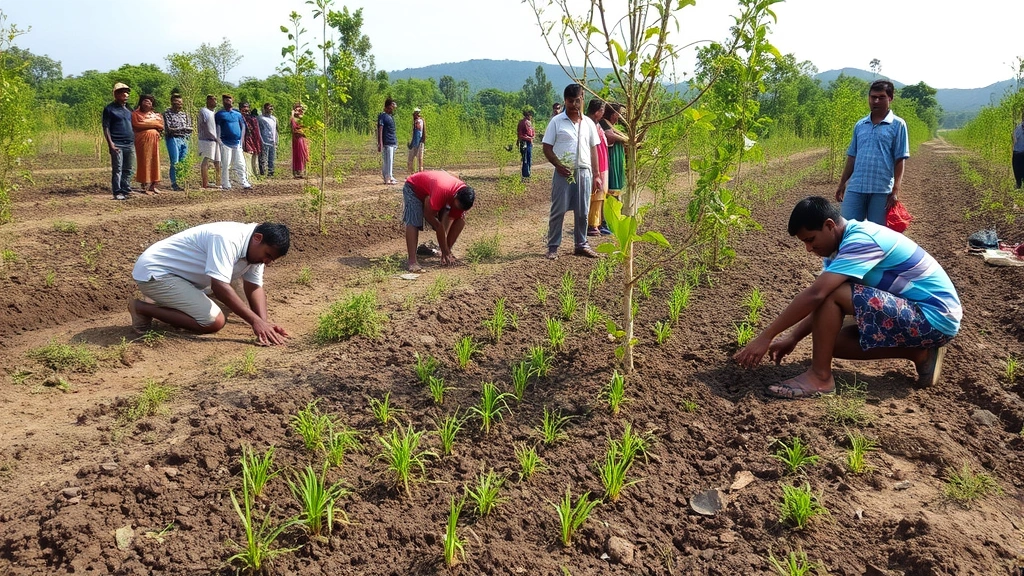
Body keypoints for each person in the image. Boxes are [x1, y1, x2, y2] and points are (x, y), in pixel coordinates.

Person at [734, 196, 962, 398]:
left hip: (933, 317)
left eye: (811, 240)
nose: (808, 248)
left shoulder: (862, 240)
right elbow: (822, 302)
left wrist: (766, 336)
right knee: (828, 342)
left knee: (831, 291)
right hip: (922, 317)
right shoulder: (842, 247)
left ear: (829, 225)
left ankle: (820, 378)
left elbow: (818, 295)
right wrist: (793, 338)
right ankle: (920, 353)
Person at [128, 221, 291, 345]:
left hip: (185, 278)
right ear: (257, 238)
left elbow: (254, 286)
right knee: (213, 321)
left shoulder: (254, 251)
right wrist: (255, 322)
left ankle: (175, 302)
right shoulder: (227, 238)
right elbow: (219, 287)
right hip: (157, 274)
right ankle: (141, 308)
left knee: (232, 301)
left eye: (271, 259)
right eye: (267, 255)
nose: (267, 262)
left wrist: (264, 323)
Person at [834, 80, 909, 225]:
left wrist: (895, 191)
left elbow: (900, 159)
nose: (876, 101)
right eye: (873, 97)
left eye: (881, 97)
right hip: (856, 187)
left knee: (879, 234)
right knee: (847, 229)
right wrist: (842, 183)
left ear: (890, 99)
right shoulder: (860, 125)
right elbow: (852, 156)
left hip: (881, 190)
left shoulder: (898, 125)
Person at [542, 83, 601, 260]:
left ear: (582, 99)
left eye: (577, 100)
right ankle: (553, 247)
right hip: (563, 173)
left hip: (584, 172)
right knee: (558, 210)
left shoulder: (588, 123)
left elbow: (593, 149)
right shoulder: (556, 122)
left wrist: (597, 175)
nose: (574, 105)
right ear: (565, 101)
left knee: (583, 211)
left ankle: (581, 244)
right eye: (570, 101)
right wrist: (557, 164)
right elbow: (547, 147)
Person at [402, 170, 475, 272]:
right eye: (456, 206)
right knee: (414, 221)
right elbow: (429, 216)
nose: (456, 209)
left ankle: (445, 253)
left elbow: (449, 220)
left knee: (460, 221)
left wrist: (445, 250)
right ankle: (412, 261)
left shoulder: (463, 196)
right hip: (413, 187)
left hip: (431, 192)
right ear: (455, 196)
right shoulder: (442, 190)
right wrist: (439, 227)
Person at [102, 82, 135, 201]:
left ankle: (126, 189)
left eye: (127, 92)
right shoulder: (109, 109)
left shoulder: (129, 108)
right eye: (122, 92)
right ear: (116, 94)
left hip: (130, 143)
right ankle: (117, 191)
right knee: (118, 169)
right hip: (117, 143)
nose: (126, 95)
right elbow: (106, 127)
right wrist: (111, 144)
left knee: (128, 168)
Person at [215, 94, 251, 190]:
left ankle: (243, 181)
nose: (228, 102)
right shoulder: (219, 114)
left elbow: (243, 127)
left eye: (230, 100)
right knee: (226, 164)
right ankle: (225, 183)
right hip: (225, 143)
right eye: (226, 100)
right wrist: (219, 140)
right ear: (223, 102)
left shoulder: (238, 114)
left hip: (237, 143)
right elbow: (217, 127)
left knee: (241, 163)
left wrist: (241, 140)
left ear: (233, 101)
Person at [132, 94, 164, 195]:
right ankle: (144, 185)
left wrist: (149, 123)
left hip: (155, 141)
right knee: (144, 161)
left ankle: (154, 185)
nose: (148, 103)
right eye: (145, 101)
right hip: (142, 141)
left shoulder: (156, 115)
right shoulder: (135, 114)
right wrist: (154, 124)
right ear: (141, 102)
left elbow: (161, 125)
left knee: (155, 161)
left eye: (150, 101)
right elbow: (137, 124)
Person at [601, 102, 626, 235]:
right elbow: (609, 136)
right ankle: (607, 221)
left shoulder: (611, 125)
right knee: (610, 190)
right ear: (613, 113)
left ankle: (614, 218)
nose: (620, 117)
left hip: (616, 158)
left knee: (615, 191)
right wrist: (625, 139)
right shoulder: (603, 123)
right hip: (611, 159)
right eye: (619, 114)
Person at [586, 98, 609, 237]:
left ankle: (598, 223)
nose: (603, 113)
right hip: (596, 164)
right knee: (596, 194)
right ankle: (592, 224)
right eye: (602, 111)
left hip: (602, 163)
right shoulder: (588, 125)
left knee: (601, 194)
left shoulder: (596, 124)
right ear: (597, 111)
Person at [162, 93, 192, 192]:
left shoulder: (184, 114)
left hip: (185, 139)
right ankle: (174, 183)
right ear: (172, 102)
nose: (179, 104)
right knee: (175, 162)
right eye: (176, 102)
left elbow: (190, 128)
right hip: (173, 139)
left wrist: (182, 130)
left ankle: (182, 181)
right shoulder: (167, 114)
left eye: (180, 102)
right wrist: (183, 129)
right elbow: (169, 129)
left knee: (183, 161)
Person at [197, 94, 221, 189]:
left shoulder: (215, 112)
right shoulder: (204, 111)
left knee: (218, 161)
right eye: (213, 100)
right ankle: (205, 184)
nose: (215, 101)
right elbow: (205, 126)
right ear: (208, 101)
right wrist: (213, 136)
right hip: (206, 140)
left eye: (216, 99)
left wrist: (217, 138)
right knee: (206, 160)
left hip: (216, 140)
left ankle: (218, 183)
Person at [378, 98, 398, 185]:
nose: (392, 110)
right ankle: (387, 178)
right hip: (387, 142)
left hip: (392, 142)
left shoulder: (390, 116)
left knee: (390, 160)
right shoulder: (382, 116)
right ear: (386, 107)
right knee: (387, 161)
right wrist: (380, 143)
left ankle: (390, 176)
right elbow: (380, 129)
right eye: (390, 108)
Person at [241, 102, 262, 183]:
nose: (246, 111)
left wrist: (258, 143)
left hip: (253, 140)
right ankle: (248, 176)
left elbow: (256, 132)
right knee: (247, 158)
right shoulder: (240, 118)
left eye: (247, 109)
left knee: (254, 158)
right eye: (244, 109)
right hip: (245, 141)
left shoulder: (253, 118)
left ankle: (255, 175)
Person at [258, 103, 278, 177]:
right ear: (265, 109)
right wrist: (261, 139)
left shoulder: (274, 118)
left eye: (272, 107)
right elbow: (258, 130)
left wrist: (276, 140)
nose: (271, 108)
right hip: (264, 139)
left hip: (272, 140)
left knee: (272, 157)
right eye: (269, 107)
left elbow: (275, 130)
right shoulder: (260, 118)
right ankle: (263, 171)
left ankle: (271, 171)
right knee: (263, 157)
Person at [290, 103, 309, 179]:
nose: (299, 111)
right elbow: (293, 128)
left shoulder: (304, 119)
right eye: (297, 109)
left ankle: (304, 170)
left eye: (300, 109)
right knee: (298, 154)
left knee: (304, 153)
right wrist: (292, 114)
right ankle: (298, 171)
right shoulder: (293, 119)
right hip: (297, 139)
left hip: (304, 138)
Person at [407, 107, 425, 173]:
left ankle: (420, 174)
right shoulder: (414, 122)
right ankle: (411, 173)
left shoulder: (420, 121)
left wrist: (418, 143)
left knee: (420, 160)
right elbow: (412, 133)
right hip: (414, 143)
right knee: (410, 159)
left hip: (419, 143)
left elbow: (419, 133)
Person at [517, 108, 535, 179]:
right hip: (524, 142)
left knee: (528, 158)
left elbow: (532, 133)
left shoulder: (528, 122)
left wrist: (531, 138)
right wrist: (529, 138)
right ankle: (526, 175)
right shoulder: (523, 123)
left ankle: (527, 174)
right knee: (526, 159)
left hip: (527, 142)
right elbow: (520, 134)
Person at [1012, 110, 1024, 189]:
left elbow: (1015, 140)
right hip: (1019, 152)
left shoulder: (1018, 128)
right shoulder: (1018, 128)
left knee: (1017, 168)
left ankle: (1018, 184)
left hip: (1018, 152)